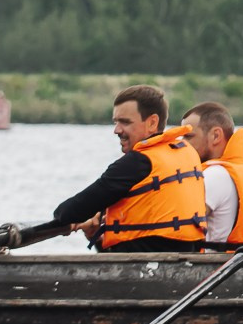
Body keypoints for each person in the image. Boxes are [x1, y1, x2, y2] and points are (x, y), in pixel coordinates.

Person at [51, 84, 208, 252]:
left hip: (147, 267)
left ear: (152, 123)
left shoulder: (139, 162)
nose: (116, 130)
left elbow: (68, 213)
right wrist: (94, 233)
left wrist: (62, 216)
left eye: (125, 122)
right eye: (116, 122)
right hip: (183, 261)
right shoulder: (186, 153)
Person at [183, 100, 243, 248]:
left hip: (215, 266)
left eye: (188, 137)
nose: (182, 143)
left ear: (216, 136)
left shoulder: (214, 175)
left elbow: (183, 226)